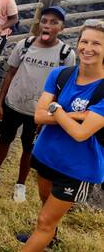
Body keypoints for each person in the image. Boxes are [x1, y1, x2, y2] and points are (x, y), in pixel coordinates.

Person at [0, 6, 75, 203]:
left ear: (62, 28)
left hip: (38, 111)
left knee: (28, 147)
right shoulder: (25, 44)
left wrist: (49, 117)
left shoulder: (65, 53)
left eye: (54, 23)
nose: (48, 26)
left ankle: (21, 184)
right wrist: (0, 103)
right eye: (44, 21)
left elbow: (62, 88)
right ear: (39, 24)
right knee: (4, 138)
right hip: (13, 104)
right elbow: (10, 73)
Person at [17, 21, 104, 251]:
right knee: (46, 203)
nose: (88, 48)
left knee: (45, 220)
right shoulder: (61, 75)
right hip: (47, 155)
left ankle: (44, 235)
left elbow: (80, 134)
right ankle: (48, 239)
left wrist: (56, 108)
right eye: (84, 41)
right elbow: (37, 115)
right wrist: (75, 115)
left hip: (78, 168)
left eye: (97, 43)